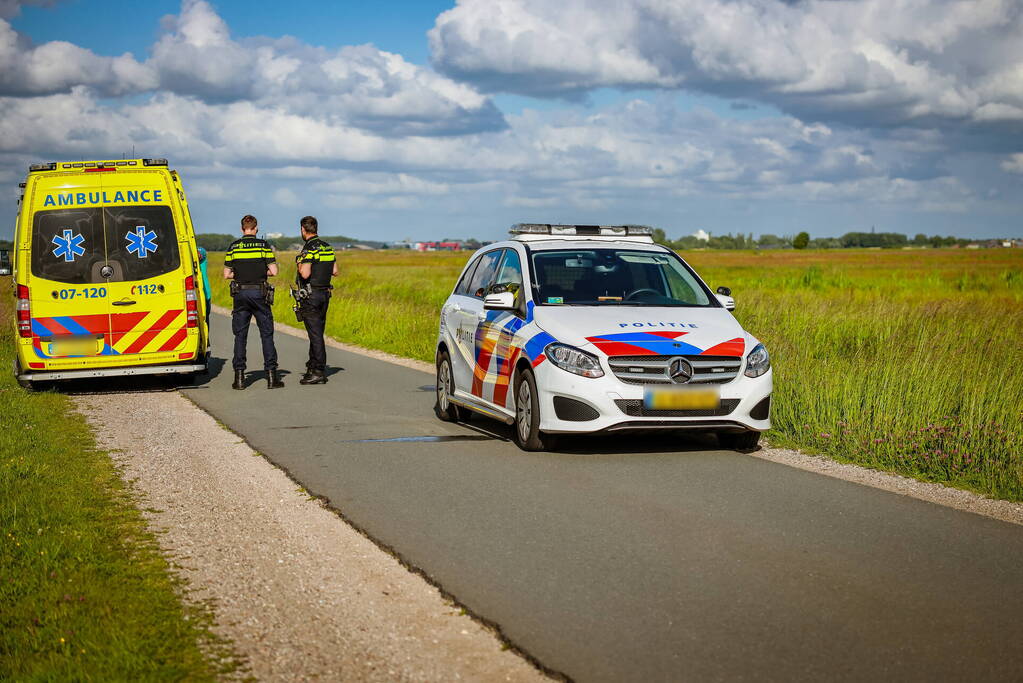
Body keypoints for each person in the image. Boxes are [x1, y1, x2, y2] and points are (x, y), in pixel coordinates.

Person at [223, 215, 284, 390]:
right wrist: (260, 272)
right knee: (266, 334)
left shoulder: (234, 246)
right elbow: (274, 271)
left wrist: (240, 274)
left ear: (242, 228)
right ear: (256, 228)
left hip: (240, 293)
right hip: (259, 293)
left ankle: (239, 378)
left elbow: (226, 274)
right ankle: (272, 378)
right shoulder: (263, 245)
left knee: (240, 336)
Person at [295, 215, 337, 385]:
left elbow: (305, 273)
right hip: (325, 294)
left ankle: (318, 371)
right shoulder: (328, 247)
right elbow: (335, 271)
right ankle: (312, 366)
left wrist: (299, 263)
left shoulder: (308, 249)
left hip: (311, 295)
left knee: (315, 334)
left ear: (303, 230)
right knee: (318, 331)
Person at [196, 246, 212, 326]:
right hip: (194, 294)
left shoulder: (200, 250)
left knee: (205, 321)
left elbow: (201, 254)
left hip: (205, 294)